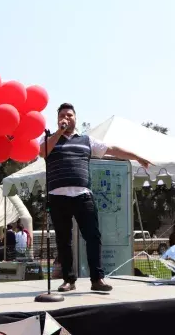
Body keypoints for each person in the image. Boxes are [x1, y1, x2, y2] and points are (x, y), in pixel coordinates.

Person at [40, 103, 152, 292]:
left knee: (93, 237)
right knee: (63, 240)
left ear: (76, 118)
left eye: (69, 114)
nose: (66, 118)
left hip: (83, 196)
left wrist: (136, 157)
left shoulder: (86, 140)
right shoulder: (50, 139)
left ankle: (97, 279)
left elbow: (112, 149)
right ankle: (69, 280)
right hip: (57, 197)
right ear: (58, 119)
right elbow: (42, 152)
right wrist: (59, 132)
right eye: (62, 115)